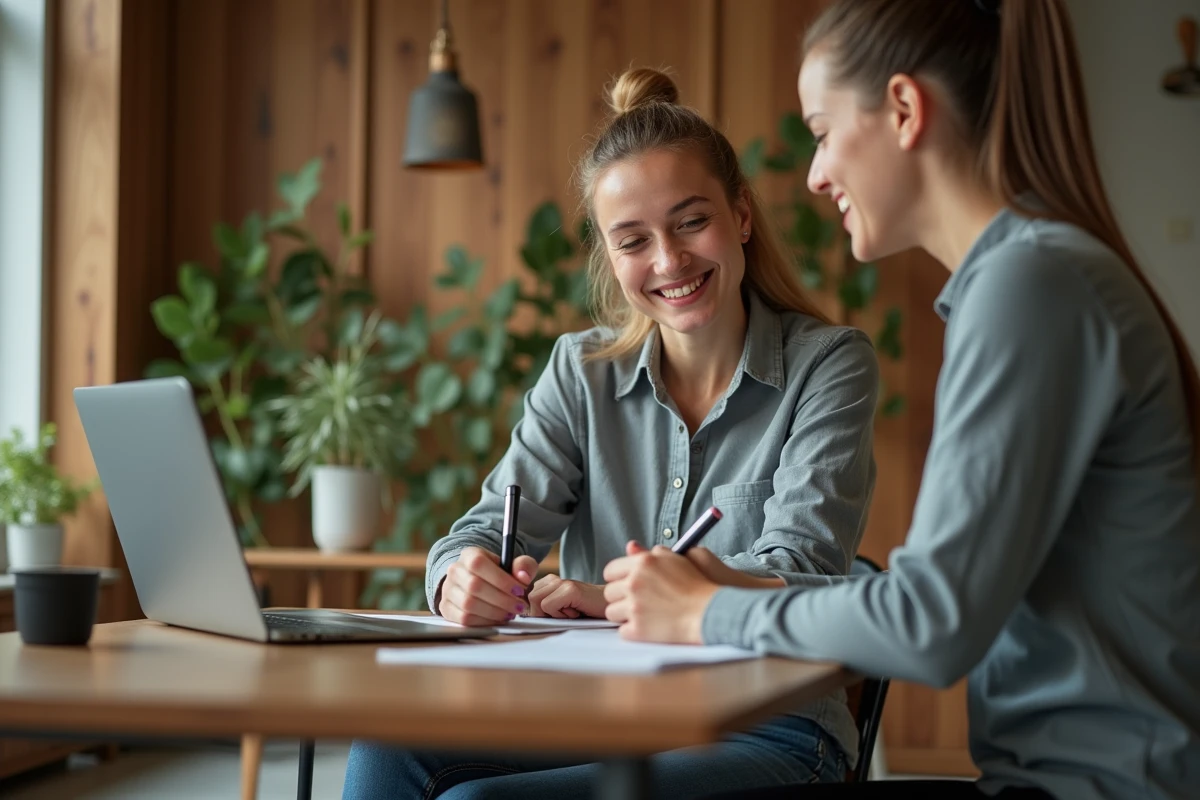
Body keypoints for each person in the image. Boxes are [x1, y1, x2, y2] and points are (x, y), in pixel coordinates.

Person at [602, 2, 1200, 799]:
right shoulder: (1030, 276)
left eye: (821, 129)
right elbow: (939, 598)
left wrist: (705, 615)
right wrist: (733, 588)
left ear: (905, 110)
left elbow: (932, 622)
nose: (814, 174)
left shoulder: (1030, 287)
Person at [341, 67, 881, 799]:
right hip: (604, 714)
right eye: (634, 240)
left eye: (692, 221)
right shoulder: (581, 372)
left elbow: (807, 565)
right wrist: (458, 577)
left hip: (772, 727)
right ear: (610, 255)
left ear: (741, 216)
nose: (669, 261)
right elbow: (479, 530)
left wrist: (617, 597)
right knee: (387, 746)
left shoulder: (830, 365)